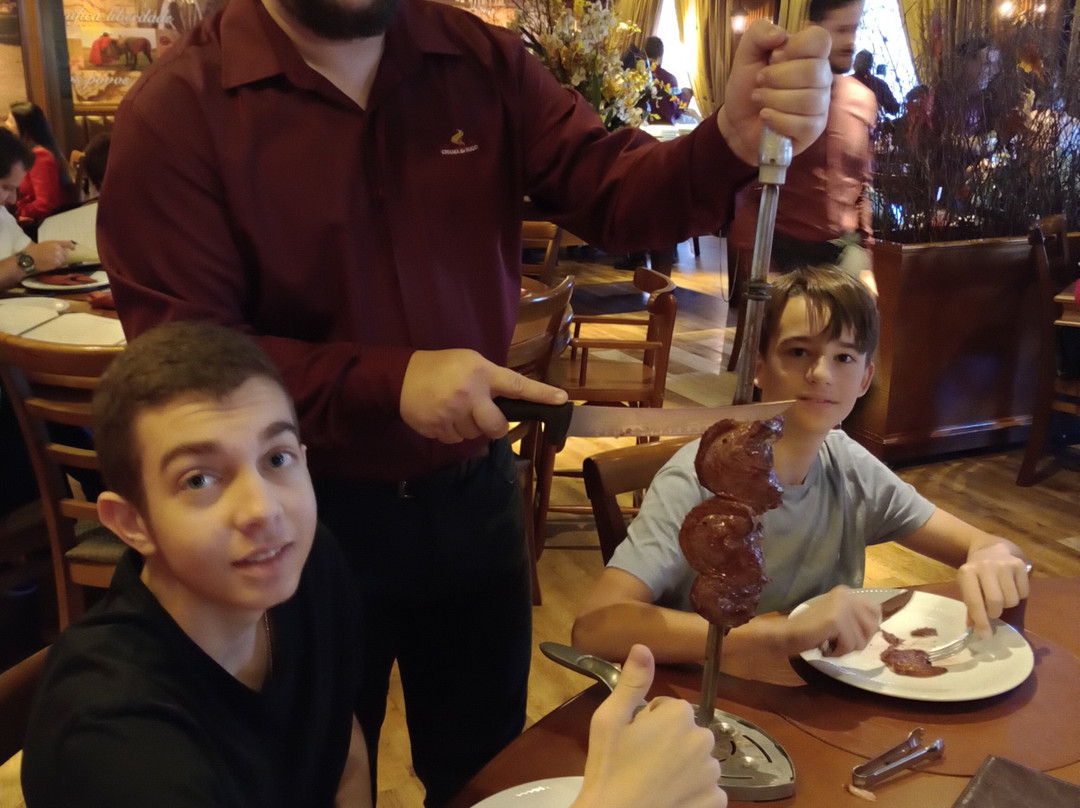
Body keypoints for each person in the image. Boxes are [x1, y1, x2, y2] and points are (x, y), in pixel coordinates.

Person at [96, 0, 833, 801]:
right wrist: (390, 381)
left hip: (473, 498)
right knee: (315, 777)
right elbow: (190, 370)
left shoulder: (479, 61)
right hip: (292, 526)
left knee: (486, 771)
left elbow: (612, 190)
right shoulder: (180, 111)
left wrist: (727, 140)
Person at [20, 320, 728, 808]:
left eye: (277, 458)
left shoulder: (306, 571)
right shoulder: (115, 739)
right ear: (130, 522)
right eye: (199, 479)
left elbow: (344, 758)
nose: (262, 509)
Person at [571, 266, 1030, 665]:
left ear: (865, 378)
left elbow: (987, 546)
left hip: (820, 699)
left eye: (843, 357)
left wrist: (993, 554)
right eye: (798, 352)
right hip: (709, 700)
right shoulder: (694, 479)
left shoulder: (848, 463)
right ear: (758, 366)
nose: (821, 374)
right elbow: (595, 626)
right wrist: (781, 637)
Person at [728, 0, 878, 295]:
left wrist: (867, 254)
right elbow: (748, 182)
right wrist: (753, 260)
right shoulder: (782, 96)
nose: (851, 41)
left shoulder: (864, 100)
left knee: (863, 314)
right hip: (785, 247)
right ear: (814, 30)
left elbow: (863, 184)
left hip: (844, 248)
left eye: (855, 29)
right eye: (842, 30)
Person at [0, 129, 74, 290]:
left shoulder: (2, 215)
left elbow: (30, 251)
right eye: (6, 188)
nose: (13, 199)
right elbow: (29, 258)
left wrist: (53, 256)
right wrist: (29, 260)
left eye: (15, 189)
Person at [4, 101, 74, 226]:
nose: (6, 125)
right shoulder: (28, 153)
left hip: (46, 224)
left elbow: (45, 205)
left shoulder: (40, 156)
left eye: (10, 121)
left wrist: (18, 214)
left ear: (25, 128)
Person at [643, 36, 685, 126]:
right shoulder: (670, 79)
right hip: (664, 128)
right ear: (660, 57)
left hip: (638, 127)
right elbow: (676, 110)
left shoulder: (635, 76)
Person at [852, 50, 899, 116]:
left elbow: (893, 108)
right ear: (871, 65)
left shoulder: (845, 83)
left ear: (855, 64)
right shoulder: (879, 84)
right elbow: (893, 109)